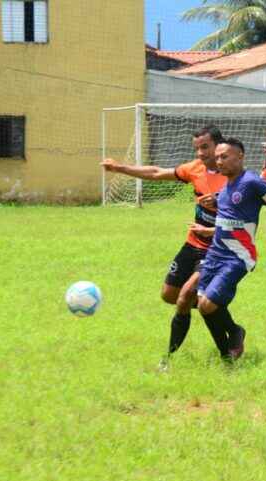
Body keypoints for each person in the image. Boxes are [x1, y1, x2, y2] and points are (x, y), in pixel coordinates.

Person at [101, 125, 227, 358]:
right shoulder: (195, 168)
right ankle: (214, 307)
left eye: (205, 147)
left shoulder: (233, 175)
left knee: (184, 296)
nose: (200, 153)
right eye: (197, 148)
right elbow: (157, 172)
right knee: (169, 295)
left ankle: (170, 358)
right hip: (192, 243)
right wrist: (120, 168)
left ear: (218, 146)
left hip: (218, 249)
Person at [198, 138, 266, 361]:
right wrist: (212, 221)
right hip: (215, 254)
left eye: (225, 157)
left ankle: (236, 333)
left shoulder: (253, 183)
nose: (219, 161)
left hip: (237, 256)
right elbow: (232, 220)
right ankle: (226, 355)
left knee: (209, 304)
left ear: (240, 157)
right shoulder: (226, 186)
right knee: (203, 305)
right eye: (217, 157)